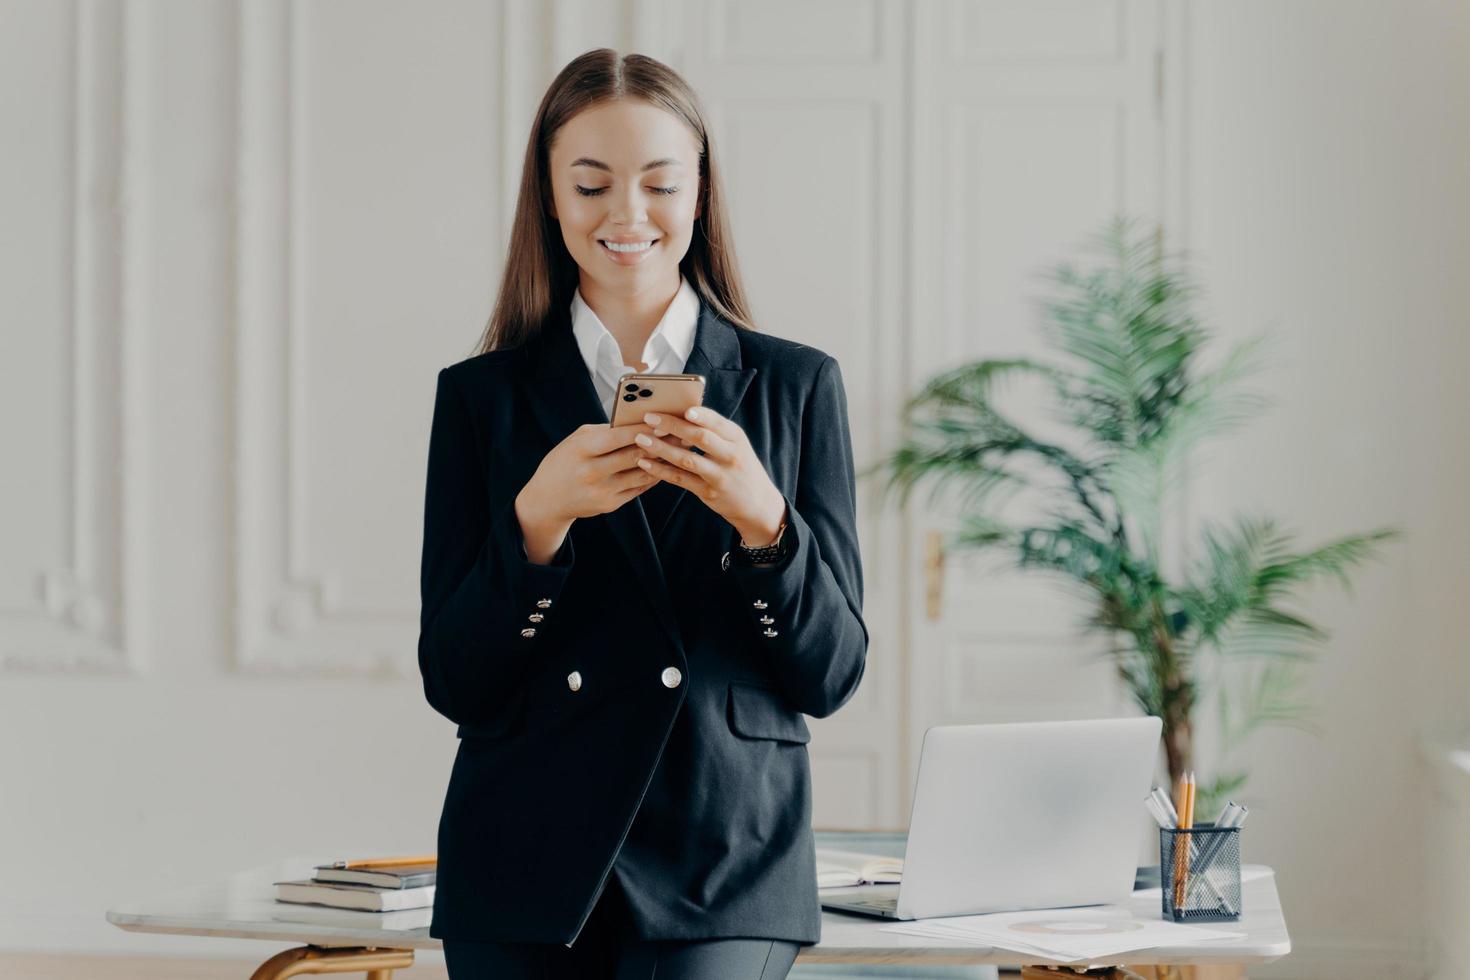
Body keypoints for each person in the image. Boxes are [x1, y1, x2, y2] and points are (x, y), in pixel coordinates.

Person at [417, 47, 868, 980]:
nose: (627, 216)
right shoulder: (481, 399)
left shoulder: (794, 385)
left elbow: (832, 675)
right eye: (591, 185)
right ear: (548, 197)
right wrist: (536, 527)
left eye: (661, 184)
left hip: (727, 852)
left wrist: (765, 526)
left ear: (701, 196)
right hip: (526, 852)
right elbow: (456, 680)